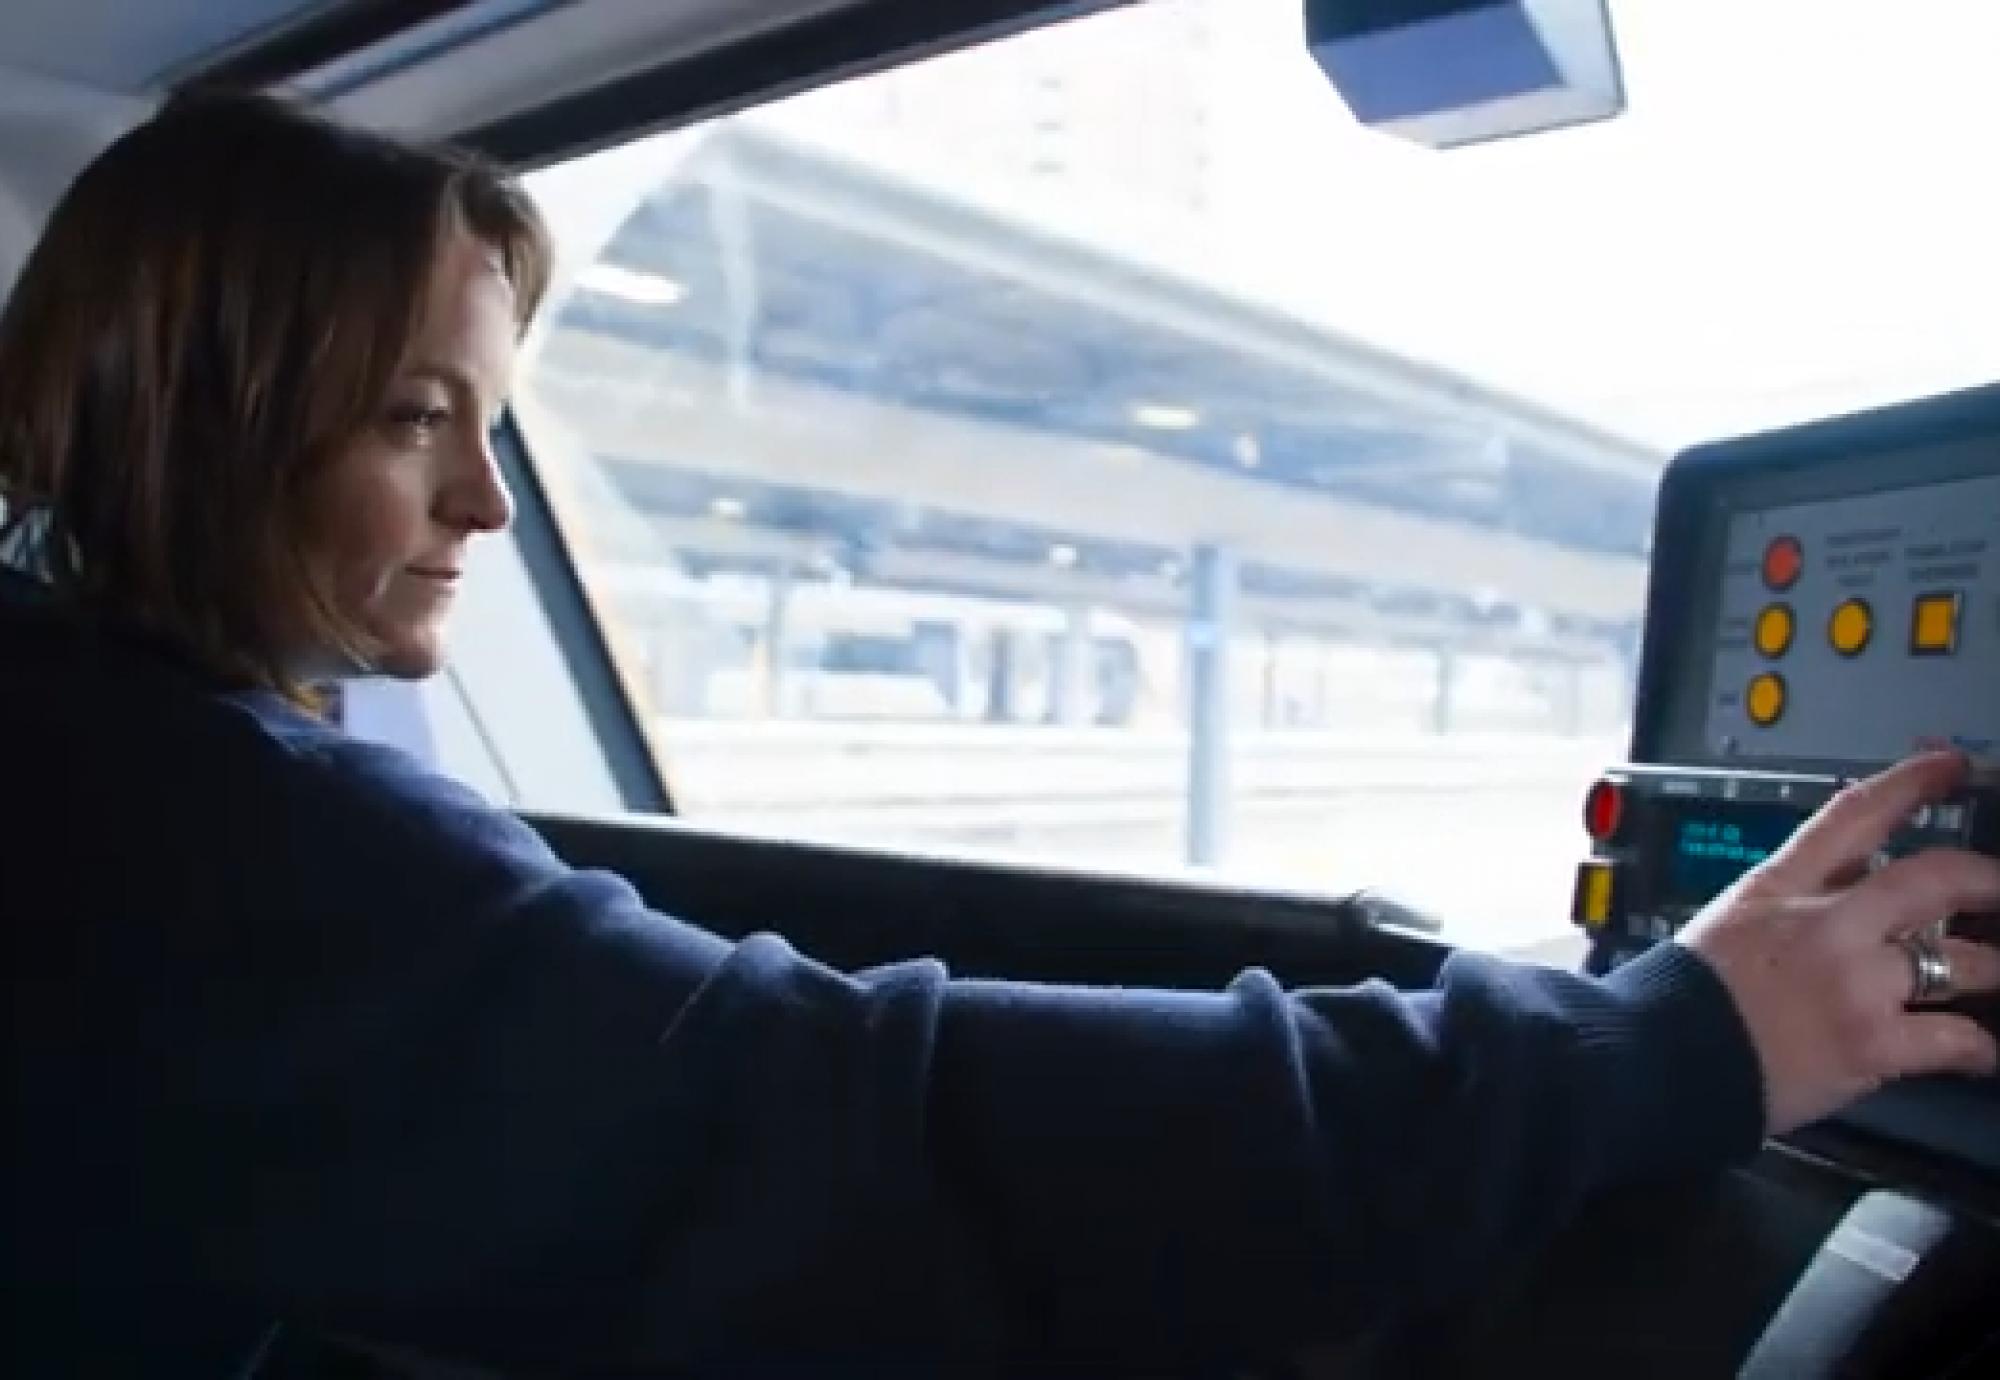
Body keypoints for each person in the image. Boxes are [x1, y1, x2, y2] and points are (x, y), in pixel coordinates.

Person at [2, 92, 1996, 1377]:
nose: (490, 510)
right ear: (198, 404)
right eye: (416, 419)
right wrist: (1666, 1044)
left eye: (493, 425)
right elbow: (843, 1126)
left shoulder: (120, 754)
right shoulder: (208, 831)